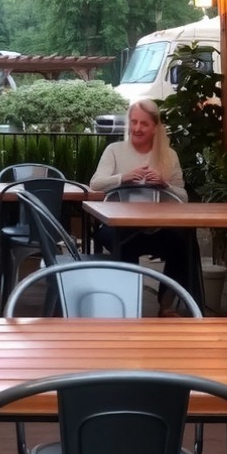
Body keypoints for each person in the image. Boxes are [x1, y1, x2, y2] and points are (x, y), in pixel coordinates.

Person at [89, 98, 191, 313]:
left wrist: (165, 185)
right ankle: (128, 307)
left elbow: (183, 197)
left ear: (155, 127)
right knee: (124, 246)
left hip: (157, 228)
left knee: (183, 245)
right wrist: (123, 178)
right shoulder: (114, 150)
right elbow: (95, 183)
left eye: (144, 123)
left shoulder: (168, 155)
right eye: (133, 122)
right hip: (119, 228)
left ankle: (166, 305)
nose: (137, 128)